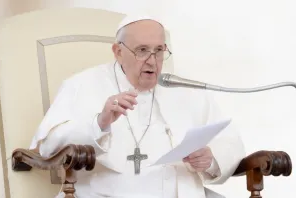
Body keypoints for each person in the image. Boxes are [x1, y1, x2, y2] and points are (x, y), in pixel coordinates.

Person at [29, 15, 246, 198]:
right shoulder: (82, 84)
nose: (152, 61)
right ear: (118, 51)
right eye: (142, 50)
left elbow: (228, 141)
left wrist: (210, 159)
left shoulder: (185, 89)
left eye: (159, 51)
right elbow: (49, 146)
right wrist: (99, 122)